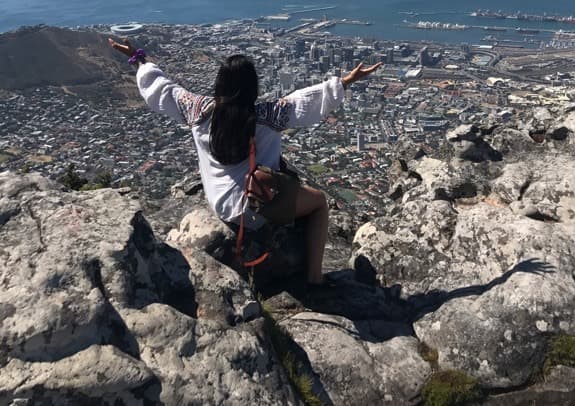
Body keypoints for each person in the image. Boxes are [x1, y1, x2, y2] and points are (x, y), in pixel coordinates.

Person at [109, 38, 381, 284]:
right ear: (253, 87)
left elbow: (163, 90)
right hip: (256, 206)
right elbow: (307, 101)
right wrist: (345, 81)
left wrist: (138, 58)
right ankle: (314, 280)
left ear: (220, 84)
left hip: (219, 203)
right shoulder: (268, 115)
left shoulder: (197, 111)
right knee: (320, 202)